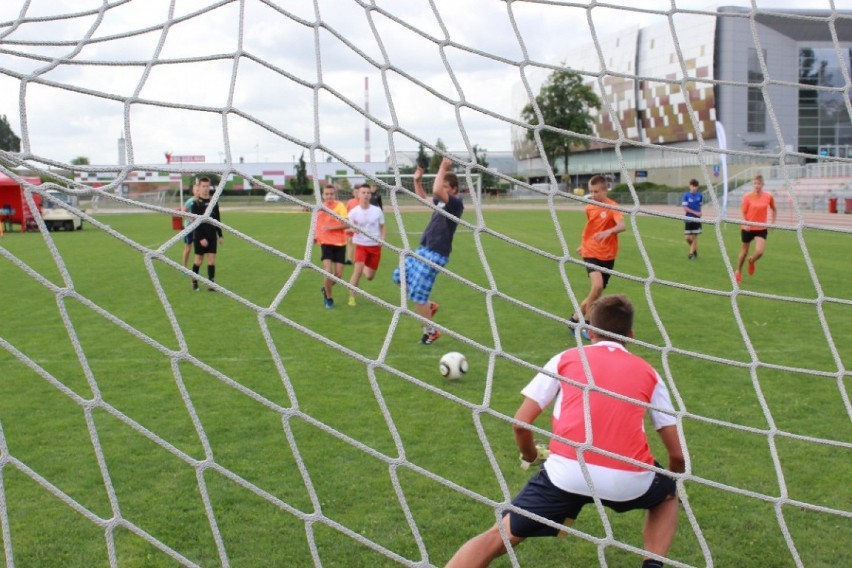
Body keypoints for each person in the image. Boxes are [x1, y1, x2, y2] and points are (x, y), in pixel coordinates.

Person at [446, 294, 685, 568]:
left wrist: (532, 455)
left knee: (499, 536)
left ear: (590, 330)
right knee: (667, 496)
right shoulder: (650, 372)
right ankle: (652, 564)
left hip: (566, 474)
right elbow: (676, 455)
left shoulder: (566, 358)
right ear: (630, 335)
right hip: (629, 479)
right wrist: (673, 482)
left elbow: (520, 424)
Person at [392, 158, 463, 345]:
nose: (443, 189)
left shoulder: (455, 204)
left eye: (447, 187)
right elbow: (424, 197)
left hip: (436, 254)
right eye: (444, 186)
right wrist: (417, 181)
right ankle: (429, 306)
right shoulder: (441, 203)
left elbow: (437, 190)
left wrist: (442, 167)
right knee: (399, 276)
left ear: (454, 190)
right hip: (423, 249)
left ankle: (431, 331)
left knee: (416, 296)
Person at [569, 175, 625, 339]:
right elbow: (592, 229)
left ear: (605, 190)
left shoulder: (613, 207)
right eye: (591, 191)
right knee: (598, 286)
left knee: (596, 293)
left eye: (597, 191)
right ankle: (586, 324)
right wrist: (585, 245)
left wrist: (609, 231)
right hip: (591, 252)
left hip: (608, 255)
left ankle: (574, 319)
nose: (593, 195)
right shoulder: (589, 207)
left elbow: (622, 225)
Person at [346, 184, 386, 306]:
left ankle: (364, 267)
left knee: (369, 276)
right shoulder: (353, 212)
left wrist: (382, 238)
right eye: (363, 193)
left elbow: (382, 227)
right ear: (358, 195)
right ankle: (351, 297)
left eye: (368, 193)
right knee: (357, 271)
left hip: (374, 247)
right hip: (361, 245)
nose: (366, 195)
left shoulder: (377, 211)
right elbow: (348, 229)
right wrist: (352, 230)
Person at [734, 174, 776, 284]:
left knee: (760, 252)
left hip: (761, 227)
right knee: (744, 252)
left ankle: (752, 260)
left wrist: (773, 222)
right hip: (748, 227)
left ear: (762, 184)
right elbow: (742, 211)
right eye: (755, 183)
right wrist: (745, 222)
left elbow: (774, 209)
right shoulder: (747, 197)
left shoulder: (768, 196)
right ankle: (738, 271)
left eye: (759, 183)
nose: (757, 186)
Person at [315, 185, 349, 309]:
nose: (329, 196)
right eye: (326, 194)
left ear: (335, 195)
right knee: (328, 271)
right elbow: (316, 224)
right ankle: (329, 299)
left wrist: (331, 228)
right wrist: (315, 236)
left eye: (331, 194)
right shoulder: (320, 208)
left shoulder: (340, 206)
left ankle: (325, 289)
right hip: (326, 243)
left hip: (340, 243)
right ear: (323, 195)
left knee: (338, 275)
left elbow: (347, 224)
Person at [190, 177, 223, 291]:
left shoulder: (213, 202)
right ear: (199, 187)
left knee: (212, 259)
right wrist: (201, 238)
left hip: (212, 235)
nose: (205, 189)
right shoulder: (195, 204)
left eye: (207, 186)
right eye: (203, 186)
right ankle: (194, 281)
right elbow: (195, 223)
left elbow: (218, 219)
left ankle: (211, 283)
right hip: (200, 237)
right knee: (198, 260)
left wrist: (220, 235)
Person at [682, 179, 703, 259]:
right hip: (688, 218)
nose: (694, 188)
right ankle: (694, 249)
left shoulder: (700, 195)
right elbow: (685, 208)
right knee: (687, 237)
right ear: (690, 186)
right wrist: (695, 213)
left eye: (695, 186)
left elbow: (700, 205)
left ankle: (691, 254)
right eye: (692, 186)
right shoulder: (686, 195)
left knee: (694, 237)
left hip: (697, 219)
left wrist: (700, 213)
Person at [181, 182, 199, 268]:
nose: (198, 191)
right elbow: (182, 212)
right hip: (189, 228)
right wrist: (190, 219)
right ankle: (184, 266)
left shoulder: (202, 201)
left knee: (198, 249)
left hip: (198, 228)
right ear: (193, 191)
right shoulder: (190, 201)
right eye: (196, 190)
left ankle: (195, 268)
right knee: (188, 248)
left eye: (199, 190)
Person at [344, 186, 360, 265]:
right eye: (355, 192)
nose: (357, 194)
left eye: (358, 192)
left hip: (360, 226)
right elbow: (346, 212)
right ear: (353, 193)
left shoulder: (363, 202)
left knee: (359, 242)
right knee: (350, 241)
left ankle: (358, 258)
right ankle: (349, 258)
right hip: (351, 225)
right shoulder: (350, 201)